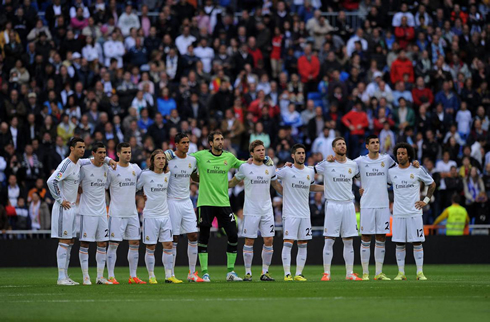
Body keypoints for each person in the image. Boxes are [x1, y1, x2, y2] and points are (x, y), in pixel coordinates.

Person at [228, 140, 283, 281]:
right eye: (258, 150)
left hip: (266, 209)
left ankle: (265, 272)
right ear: (252, 153)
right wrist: (216, 185)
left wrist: (289, 194)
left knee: (269, 239)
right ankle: (248, 272)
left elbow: (276, 185)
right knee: (249, 241)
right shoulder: (245, 167)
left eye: (263, 150)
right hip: (251, 210)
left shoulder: (270, 167)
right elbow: (233, 182)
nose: (262, 152)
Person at [315, 137, 362, 281]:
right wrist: (324, 160)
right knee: (329, 240)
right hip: (333, 204)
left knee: (348, 241)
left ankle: (349, 273)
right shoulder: (327, 164)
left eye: (344, 143)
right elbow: (311, 171)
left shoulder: (353, 165)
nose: (342, 146)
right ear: (334, 149)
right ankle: (326, 273)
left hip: (348, 205)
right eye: (339, 144)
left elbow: (361, 179)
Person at [388, 143, 436, 281]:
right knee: (399, 243)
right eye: (398, 153)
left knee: (417, 242)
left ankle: (420, 273)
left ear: (408, 155)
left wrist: (425, 201)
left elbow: (432, 183)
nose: (400, 156)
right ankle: (401, 273)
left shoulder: (418, 169)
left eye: (403, 153)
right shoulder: (391, 172)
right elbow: (381, 183)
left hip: (414, 213)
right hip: (398, 213)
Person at [276, 144, 323, 281]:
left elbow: (311, 187)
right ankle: (286, 274)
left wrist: (328, 188)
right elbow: (271, 175)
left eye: (303, 153)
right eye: (299, 153)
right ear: (293, 155)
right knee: (288, 242)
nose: (302, 155)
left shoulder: (309, 171)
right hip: (290, 213)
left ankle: (298, 273)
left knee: (303, 243)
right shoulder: (287, 171)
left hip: (305, 213)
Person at [138, 150, 183, 284]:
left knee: (168, 245)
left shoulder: (167, 174)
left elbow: (174, 153)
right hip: (150, 216)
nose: (161, 161)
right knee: (151, 246)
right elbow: (135, 187)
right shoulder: (145, 175)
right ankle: (151, 276)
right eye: (158, 158)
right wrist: (141, 197)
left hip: (165, 215)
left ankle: (169, 275)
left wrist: (169, 154)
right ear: (152, 161)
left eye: (163, 158)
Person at [47, 137, 85, 285]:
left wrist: (108, 160)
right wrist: (60, 199)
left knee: (69, 241)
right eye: (79, 147)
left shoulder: (79, 163)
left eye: (83, 147)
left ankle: (65, 276)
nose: (82, 149)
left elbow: (93, 159)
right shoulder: (67, 164)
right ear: (71, 148)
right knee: (64, 241)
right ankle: (61, 277)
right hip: (63, 208)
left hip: (71, 208)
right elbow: (51, 181)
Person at [166, 133, 203, 283]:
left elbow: (194, 176)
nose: (186, 145)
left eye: (188, 142)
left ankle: (192, 273)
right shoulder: (168, 158)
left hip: (186, 201)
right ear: (176, 144)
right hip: (172, 201)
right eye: (183, 143)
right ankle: (171, 274)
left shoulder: (192, 160)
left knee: (193, 235)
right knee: (174, 238)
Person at [106, 142, 145, 285]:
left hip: (132, 213)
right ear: (118, 154)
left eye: (129, 152)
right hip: (116, 213)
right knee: (113, 244)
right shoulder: (112, 169)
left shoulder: (135, 168)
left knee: (135, 243)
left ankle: (133, 276)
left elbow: (144, 180)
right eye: (125, 152)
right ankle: (110, 275)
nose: (128, 154)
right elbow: (104, 187)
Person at [77, 142, 116, 285]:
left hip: (101, 212)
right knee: (85, 243)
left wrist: (108, 160)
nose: (103, 155)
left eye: (104, 153)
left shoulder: (107, 168)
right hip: (87, 211)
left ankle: (100, 276)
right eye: (99, 152)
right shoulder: (84, 167)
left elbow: (107, 187)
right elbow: (76, 185)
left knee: (102, 243)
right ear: (93, 153)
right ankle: (85, 276)